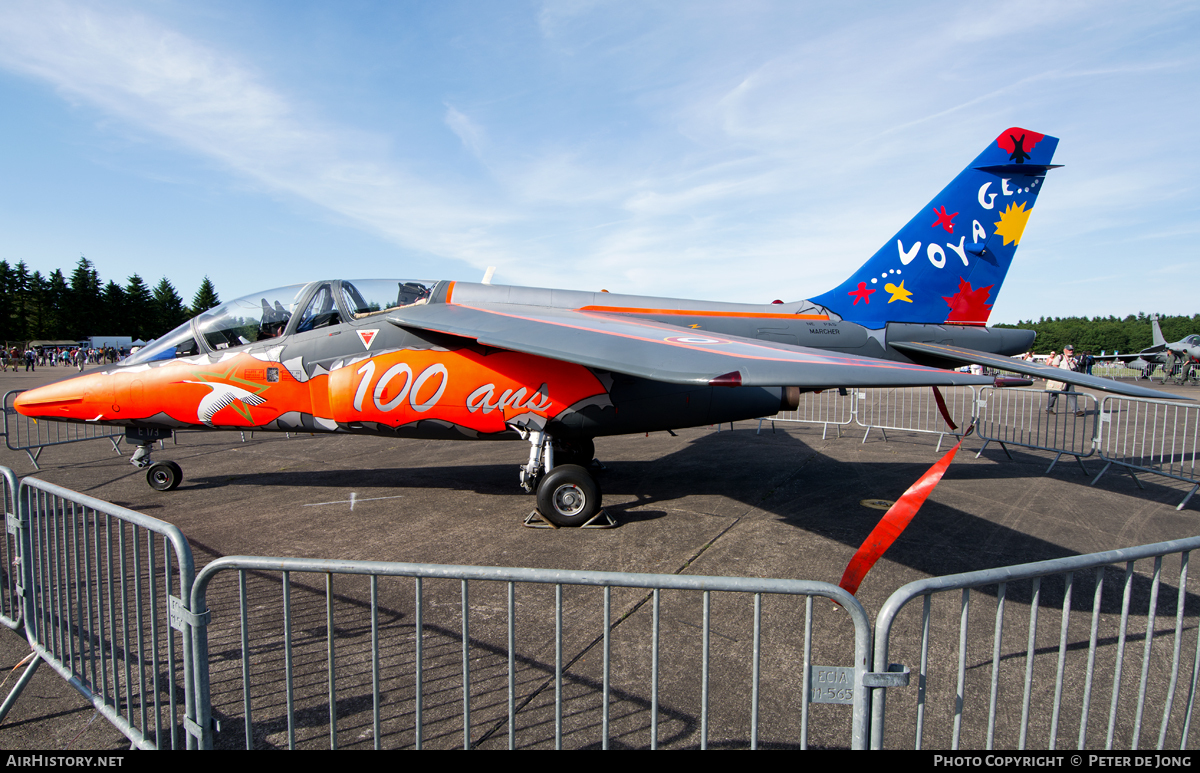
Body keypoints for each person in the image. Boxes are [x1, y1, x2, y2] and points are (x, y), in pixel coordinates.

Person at [1046, 344, 1084, 416]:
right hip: (1059, 379)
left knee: (1072, 394)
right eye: (1069, 350)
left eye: (1072, 350)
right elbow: (1055, 366)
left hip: (1069, 380)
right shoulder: (1060, 357)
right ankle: (1049, 408)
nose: (1071, 351)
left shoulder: (1073, 360)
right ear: (1065, 350)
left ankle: (1076, 411)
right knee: (1054, 394)